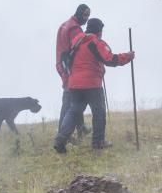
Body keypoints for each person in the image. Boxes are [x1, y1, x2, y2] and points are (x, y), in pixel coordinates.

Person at [54, 18, 134, 153]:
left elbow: (67, 60)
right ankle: (98, 142)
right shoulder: (96, 42)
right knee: (98, 112)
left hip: (74, 84)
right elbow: (110, 59)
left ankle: (60, 139)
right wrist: (128, 56)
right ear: (99, 30)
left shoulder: (76, 42)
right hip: (92, 84)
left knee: (74, 111)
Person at [56, 4, 90, 139]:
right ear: (79, 13)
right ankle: (63, 134)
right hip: (71, 69)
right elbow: (81, 50)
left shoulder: (64, 25)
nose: (87, 18)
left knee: (75, 100)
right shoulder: (75, 29)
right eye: (85, 14)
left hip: (62, 65)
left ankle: (81, 128)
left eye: (88, 15)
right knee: (70, 101)